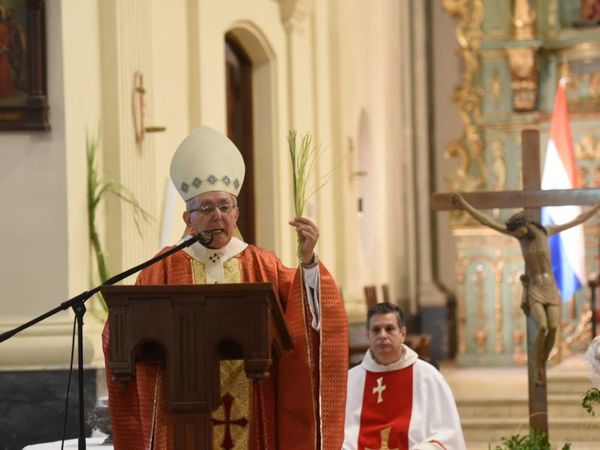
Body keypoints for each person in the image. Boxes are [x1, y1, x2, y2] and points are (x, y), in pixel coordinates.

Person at [103, 125, 349, 449]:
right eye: (206, 208)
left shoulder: (263, 265)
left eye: (224, 206)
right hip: (182, 413)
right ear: (187, 218)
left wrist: (308, 264)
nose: (217, 215)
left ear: (236, 213)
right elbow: (123, 330)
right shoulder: (161, 268)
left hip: (255, 402)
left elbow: (304, 316)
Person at [452, 193, 600, 385]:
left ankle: (542, 362)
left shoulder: (547, 231)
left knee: (554, 327)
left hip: (550, 286)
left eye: (519, 231)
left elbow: (577, 220)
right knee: (543, 326)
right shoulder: (519, 236)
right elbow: (487, 221)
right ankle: (538, 366)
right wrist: (464, 205)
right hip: (535, 287)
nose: (517, 235)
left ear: (526, 224)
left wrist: (597, 206)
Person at [343, 302, 466, 450]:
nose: (382, 335)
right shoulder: (351, 380)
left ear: (402, 333)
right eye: (376, 330)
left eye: (389, 329)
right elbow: (340, 435)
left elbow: (447, 433)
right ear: (367, 335)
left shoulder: (428, 376)